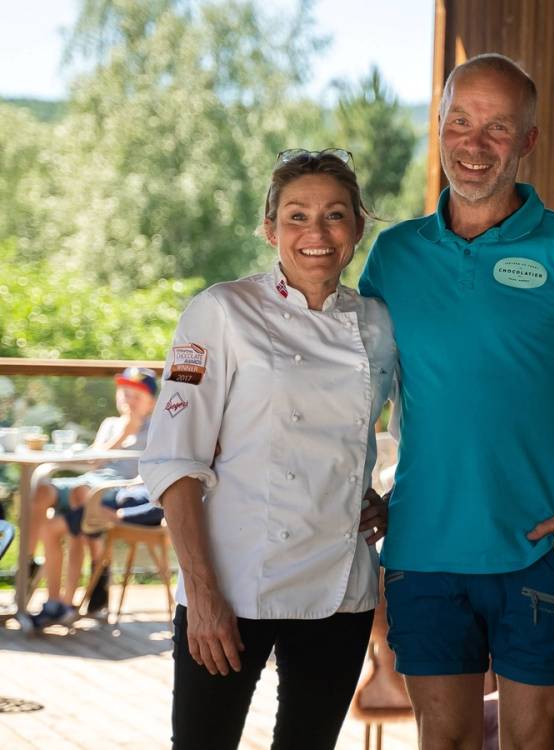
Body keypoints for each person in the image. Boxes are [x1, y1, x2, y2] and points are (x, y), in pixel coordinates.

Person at [359, 54, 554, 750]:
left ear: (528, 141)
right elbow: (358, 392)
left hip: (544, 553)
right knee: (443, 744)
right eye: (460, 122)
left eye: (498, 128)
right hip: (425, 549)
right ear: (439, 128)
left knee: (533, 744)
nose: (475, 144)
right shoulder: (395, 255)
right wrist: (355, 490)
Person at [139, 148, 396, 750]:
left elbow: (420, 422)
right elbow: (175, 462)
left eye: (335, 216)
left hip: (342, 587)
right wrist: (200, 594)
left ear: (358, 227)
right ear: (270, 228)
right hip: (233, 579)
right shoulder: (220, 312)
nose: (316, 233)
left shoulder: (380, 324)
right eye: (297, 216)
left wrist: (388, 497)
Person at [22, 367, 157, 630]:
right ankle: (30, 568)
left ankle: (66, 601)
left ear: (151, 402)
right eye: (125, 393)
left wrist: (131, 432)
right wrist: (121, 435)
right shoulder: (110, 424)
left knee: (71, 507)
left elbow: (146, 477)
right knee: (40, 491)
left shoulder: (156, 429)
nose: (128, 400)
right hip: (88, 483)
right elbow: (91, 462)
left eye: (136, 396)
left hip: (113, 490)